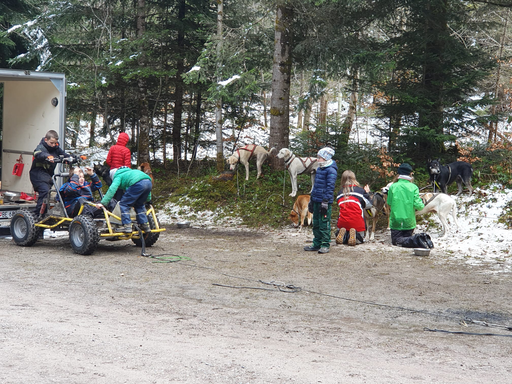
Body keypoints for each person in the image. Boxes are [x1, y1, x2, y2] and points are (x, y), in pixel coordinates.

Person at [387, 163, 434, 249]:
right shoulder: (414, 187)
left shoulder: (393, 187)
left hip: (396, 222)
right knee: (405, 240)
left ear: (398, 174)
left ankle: (417, 240)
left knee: (396, 241)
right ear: (410, 174)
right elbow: (419, 206)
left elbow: (389, 203)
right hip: (409, 223)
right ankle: (418, 239)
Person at [30, 130, 74, 217]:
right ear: (46, 140)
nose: (54, 145)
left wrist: (73, 158)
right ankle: (38, 215)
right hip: (37, 175)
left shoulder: (56, 149)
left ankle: (45, 213)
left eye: (55, 143)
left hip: (48, 176)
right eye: (52, 143)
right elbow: (37, 154)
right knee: (45, 192)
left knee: (48, 194)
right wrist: (47, 156)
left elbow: (64, 155)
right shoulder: (40, 147)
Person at [96, 166, 152, 233]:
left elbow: (112, 189)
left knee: (124, 204)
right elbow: (146, 188)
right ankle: (145, 225)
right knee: (139, 204)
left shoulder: (118, 175)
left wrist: (103, 203)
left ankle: (127, 226)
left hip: (136, 184)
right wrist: (148, 200)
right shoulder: (130, 172)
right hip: (148, 182)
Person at [304, 147, 338, 254]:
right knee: (316, 223)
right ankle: (316, 243)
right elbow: (315, 186)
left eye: (319, 157)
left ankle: (325, 244)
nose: (318, 159)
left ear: (325, 158)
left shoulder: (331, 170)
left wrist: (326, 201)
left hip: (324, 201)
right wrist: (311, 200)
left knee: (324, 223)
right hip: (316, 200)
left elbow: (330, 187)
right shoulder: (319, 169)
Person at [335, 170, 372, 246]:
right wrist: (367, 193)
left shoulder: (339, 193)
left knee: (343, 218)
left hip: (342, 222)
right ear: (354, 179)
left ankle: (344, 235)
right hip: (357, 224)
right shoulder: (361, 191)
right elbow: (369, 205)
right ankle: (355, 235)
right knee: (360, 239)